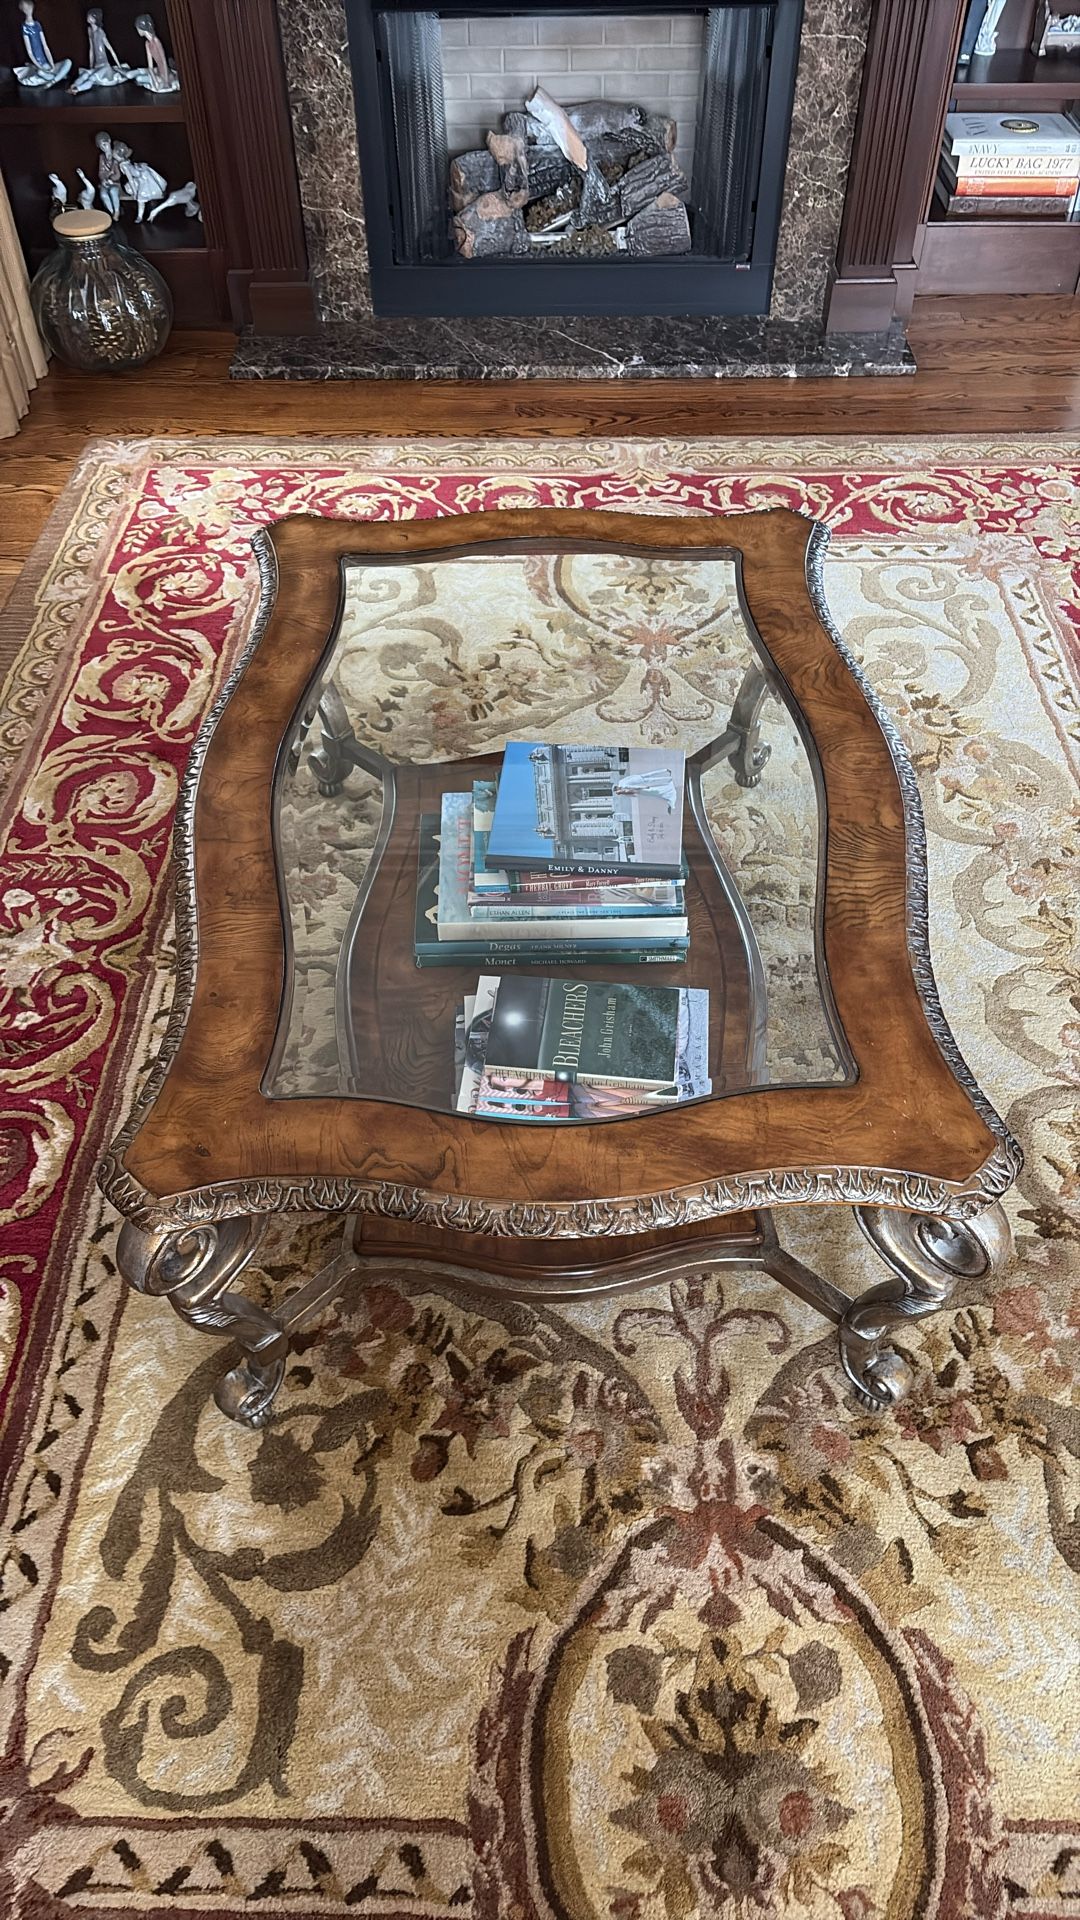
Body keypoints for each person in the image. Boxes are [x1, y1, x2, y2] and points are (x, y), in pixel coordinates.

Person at [69, 7, 131, 91]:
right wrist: (91, 66)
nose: (88, 17)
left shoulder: (100, 32)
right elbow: (91, 49)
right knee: (85, 75)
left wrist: (119, 65)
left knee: (93, 77)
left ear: (95, 19)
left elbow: (110, 48)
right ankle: (73, 85)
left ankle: (77, 89)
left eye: (90, 16)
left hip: (105, 66)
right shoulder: (90, 30)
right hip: (97, 65)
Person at [14, 1, 71, 86]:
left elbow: (45, 47)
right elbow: (30, 52)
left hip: (47, 64)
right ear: (23, 10)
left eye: (29, 8)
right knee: (40, 73)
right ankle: (57, 77)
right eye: (26, 8)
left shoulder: (37, 25)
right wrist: (39, 67)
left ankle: (54, 79)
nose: (28, 10)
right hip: (39, 66)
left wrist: (52, 64)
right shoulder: (25, 27)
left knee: (68, 62)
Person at [133, 13, 178, 91]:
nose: (137, 31)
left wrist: (166, 82)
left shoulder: (156, 41)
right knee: (139, 79)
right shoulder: (147, 43)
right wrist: (154, 80)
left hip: (166, 74)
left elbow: (164, 62)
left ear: (142, 28)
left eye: (138, 28)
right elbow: (150, 66)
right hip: (158, 73)